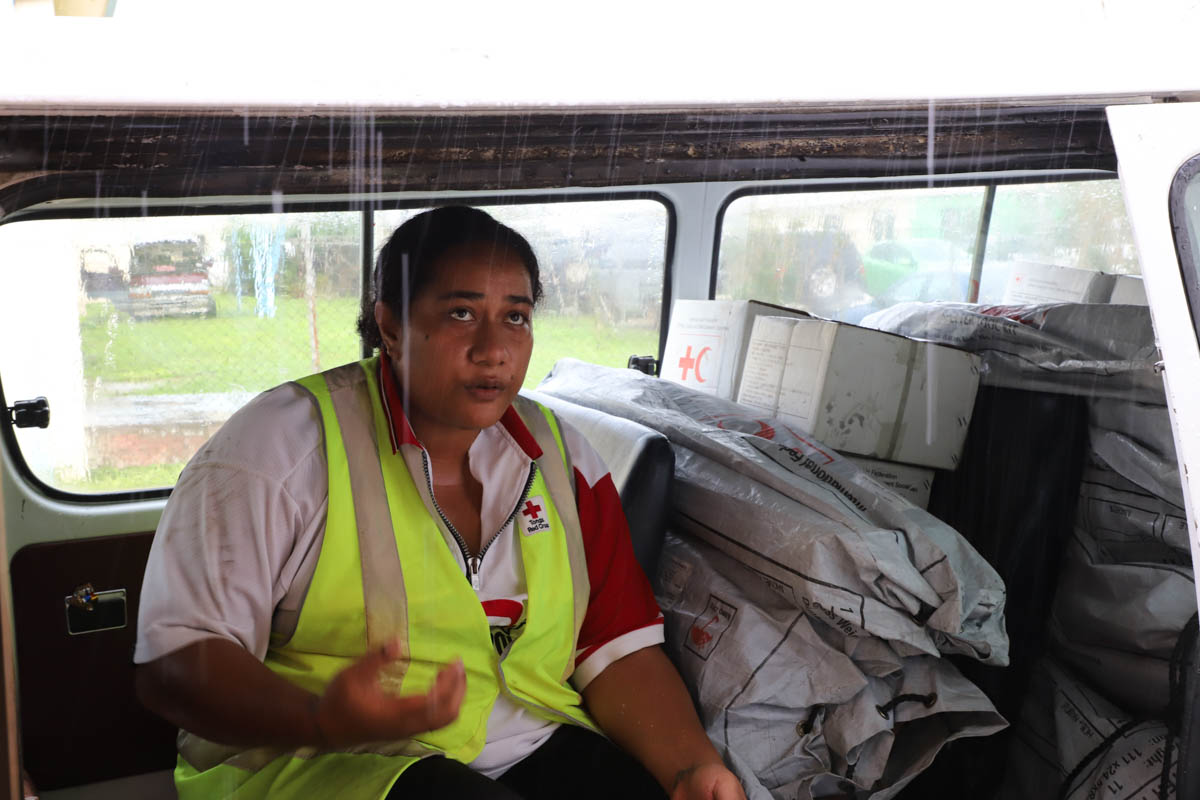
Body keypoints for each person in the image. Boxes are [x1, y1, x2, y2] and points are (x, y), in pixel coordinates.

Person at [134, 206, 747, 800]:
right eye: (461, 313)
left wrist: (689, 767)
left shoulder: (565, 461)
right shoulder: (279, 450)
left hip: (530, 742)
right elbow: (176, 663)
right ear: (391, 327)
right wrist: (321, 717)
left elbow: (618, 651)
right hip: (327, 759)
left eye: (515, 317)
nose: (493, 348)